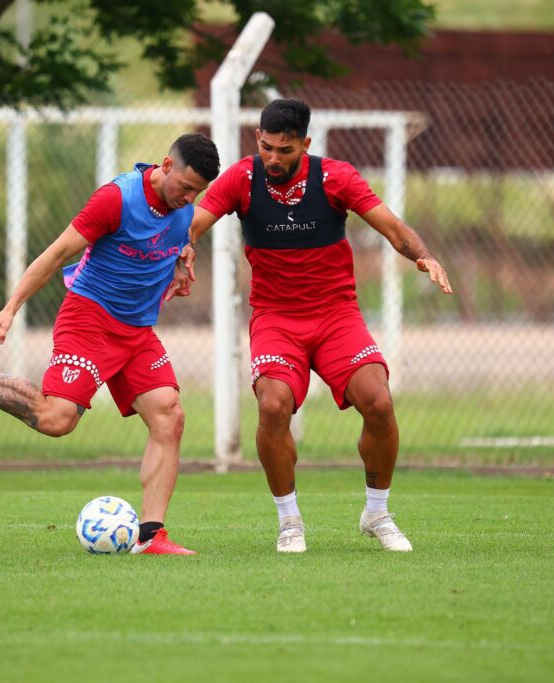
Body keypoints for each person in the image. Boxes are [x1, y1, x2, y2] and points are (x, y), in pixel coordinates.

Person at [0, 133, 220, 555]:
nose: (189, 198)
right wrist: (11, 308)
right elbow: (55, 254)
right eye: (185, 187)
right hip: (88, 319)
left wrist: (181, 260)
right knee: (56, 419)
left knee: (169, 417)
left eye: (198, 192)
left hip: (137, 331)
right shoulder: (116, 199)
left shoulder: (183, 210)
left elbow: (175, 237)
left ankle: (151, 536)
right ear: (165, 165)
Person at [179, 99, 452, 553]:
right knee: (272, 406)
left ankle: (377, 512)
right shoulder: (243, 179)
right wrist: (183, 247)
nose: (272, 158)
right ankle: (290, 522)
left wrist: (424, 255)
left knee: (380, 403)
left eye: (284, 150)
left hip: (336, 314)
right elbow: (194, 222)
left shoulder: (335, 178)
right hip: (276, 318)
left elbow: (391, 226)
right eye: (266, 147)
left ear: (305, 144)